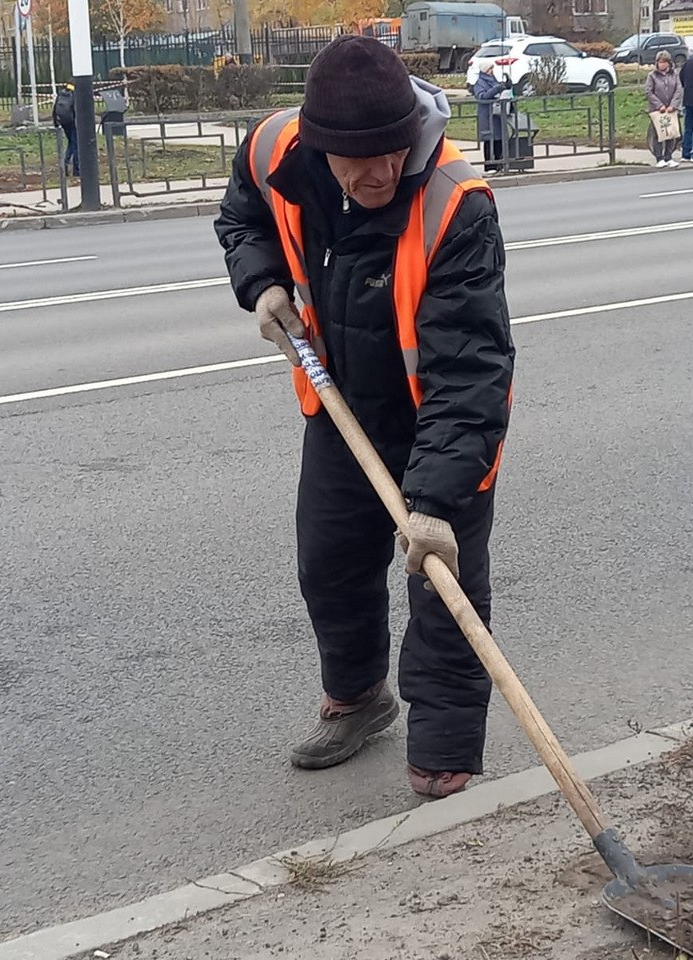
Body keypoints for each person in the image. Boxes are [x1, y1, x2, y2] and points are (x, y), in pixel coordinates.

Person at [214, 36, 514, 800]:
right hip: (342, 404)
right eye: (358, 161)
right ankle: (358, 697)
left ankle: (444, 749)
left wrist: (437, 503)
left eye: (392, 152)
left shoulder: (456, 204)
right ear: (321, 148)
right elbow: (240, 216)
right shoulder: (278, 151)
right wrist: (262, 285)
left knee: (441, 583)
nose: (380, 171)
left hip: (439, 420)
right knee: (330, 560)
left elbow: (469, 368)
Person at [645, 50, 682, 167]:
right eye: (660, 62)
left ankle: (668, 156)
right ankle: (659, 157)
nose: (662, 65)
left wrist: (673, 105)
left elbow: (678, 90)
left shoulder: (674, 74)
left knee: (672, 133)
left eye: (664, 62)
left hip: (671, 109)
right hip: (658, 110)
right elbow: (649, 92)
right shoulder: (652, 76)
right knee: (658, 134)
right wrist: (659, 105)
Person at [472, 62, 510, 171]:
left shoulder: (493, 80)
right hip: (487, 115)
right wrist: (496, 89)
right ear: (484, 70)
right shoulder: (479, 83)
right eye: (489, 69)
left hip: (497, 115)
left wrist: (506, 85)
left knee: (499, 140)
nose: (491, 71)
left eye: (492, 69)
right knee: (489, 140)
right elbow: (482, 96)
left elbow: (500, 90)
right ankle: (489, 165)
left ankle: (500, 163)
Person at [52, 82, 78, 176]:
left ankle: (65, 163)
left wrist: (56, 122)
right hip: (73, 122)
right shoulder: (75, 94)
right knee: (76, 145)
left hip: (63, 122)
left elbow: (55, 109)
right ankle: (76, 170)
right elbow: (76, 109)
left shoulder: (61, 93)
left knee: (71, 142)